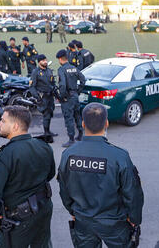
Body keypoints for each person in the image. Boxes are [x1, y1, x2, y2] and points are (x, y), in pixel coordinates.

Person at [57, 102, 144, 247]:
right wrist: (135, 218)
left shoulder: (68, 154)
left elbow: (64, 189)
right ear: (107, 123)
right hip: (114, 222)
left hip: (83, 220)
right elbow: (132, 192)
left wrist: (72, 210)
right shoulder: (119, 156)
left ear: (83, 124)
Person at [0, 105, 55, 248]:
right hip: (44, 208)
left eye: (3, 121)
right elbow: (50, 174)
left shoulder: (4, 155)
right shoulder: (44, 146)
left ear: (15, 126)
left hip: (19, 218)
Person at [56, 49, 86, 147]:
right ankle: (81, 134)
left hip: (68, 97)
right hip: (75, 96)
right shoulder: (74, 68)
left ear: (60, 59)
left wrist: (62, 96)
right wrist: (78, 91)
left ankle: (71, 139)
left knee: (68, 118)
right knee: (77, 115)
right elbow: (83, 79)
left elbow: (63, 85)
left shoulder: (61, 70)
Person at [30, 54, 58, 137]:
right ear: (39, 62)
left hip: (50, 96)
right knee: (46, 114)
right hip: (43, 97)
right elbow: (32, 87)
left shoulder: (49, 70)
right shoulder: (36, 72)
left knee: (49, 113)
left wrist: (55, 92)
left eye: (46, 60)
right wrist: (37, 98)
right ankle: (46, 133)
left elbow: (52, 83)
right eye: (43, 60)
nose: (45, 62)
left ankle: (48, 131)